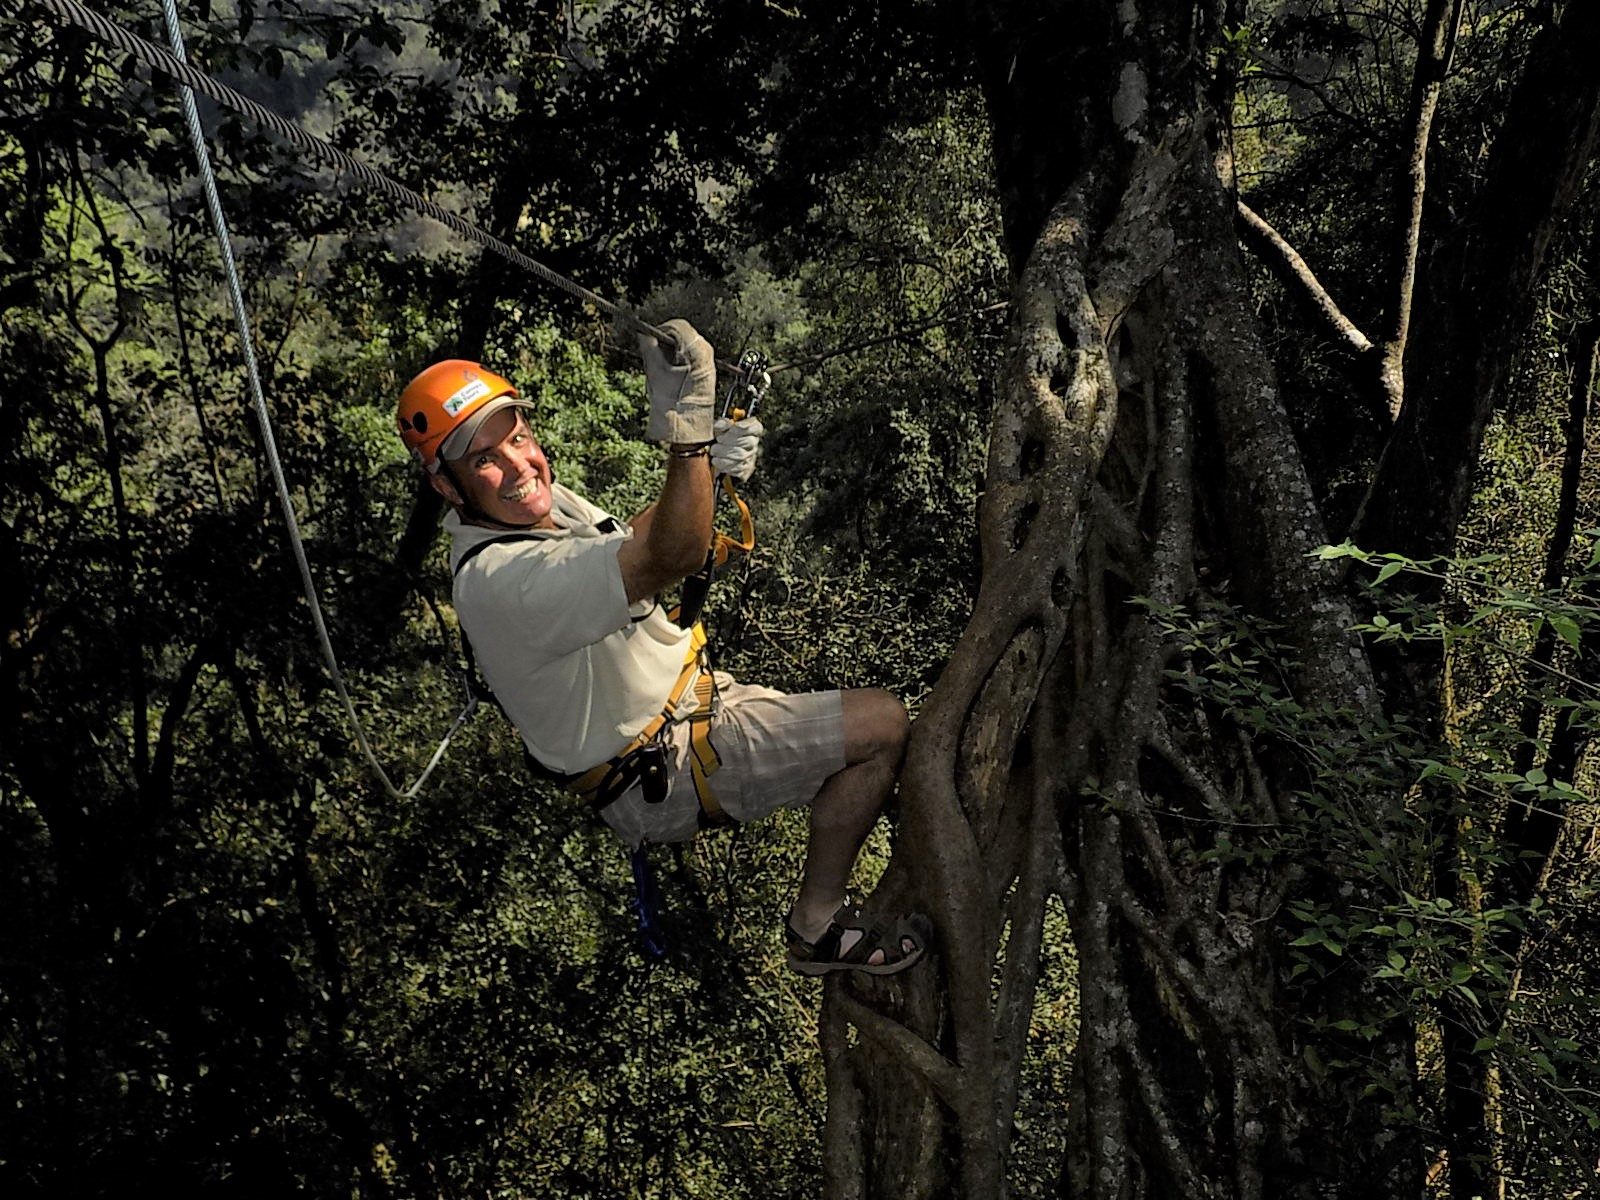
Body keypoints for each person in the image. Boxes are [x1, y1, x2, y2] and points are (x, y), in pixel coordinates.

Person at [395, 320, 929, 975]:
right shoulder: (498, 582)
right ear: (448, 487)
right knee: (883, 725)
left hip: (695, 706)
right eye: (485, 459)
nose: (518, 467)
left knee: (876, 738)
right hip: (668, 762)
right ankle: (815, 925)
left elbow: (641, 541)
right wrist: (688, 440)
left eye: (520, 439)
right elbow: (671, 555)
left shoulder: (537, 507)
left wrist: (706, 461)